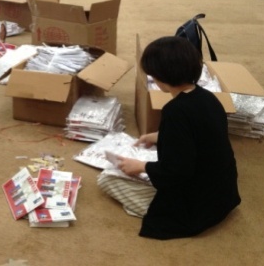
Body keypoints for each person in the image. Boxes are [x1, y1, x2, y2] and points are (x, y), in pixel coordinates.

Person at [98, 36, 240, 240]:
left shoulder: (175, 111)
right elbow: (202, 135)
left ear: (161, 78)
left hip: (197, 207)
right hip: (224, 193)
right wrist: (160, 136)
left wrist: (141, 166)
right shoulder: (207, 97)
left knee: (106, 180)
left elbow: (176, 171)